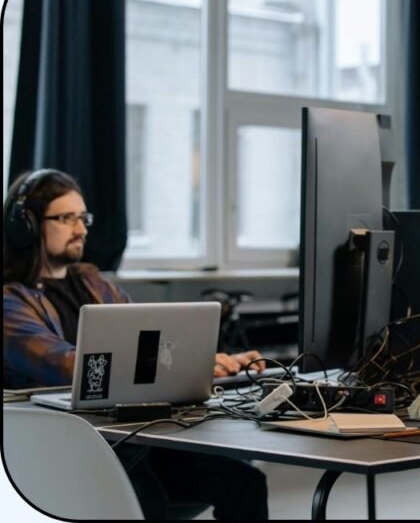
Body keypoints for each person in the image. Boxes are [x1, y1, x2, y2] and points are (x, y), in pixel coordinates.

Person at [3, 169, 269, 520]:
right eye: (66, 218)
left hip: (130, 434)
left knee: (244, 482)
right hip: (68, 444)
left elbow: (150, 345)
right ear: (28, 226)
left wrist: (207, 362)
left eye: (83, 218)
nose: (81, 229)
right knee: (144, 497)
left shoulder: (95, 284)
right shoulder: (9, 301)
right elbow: (71, 365)